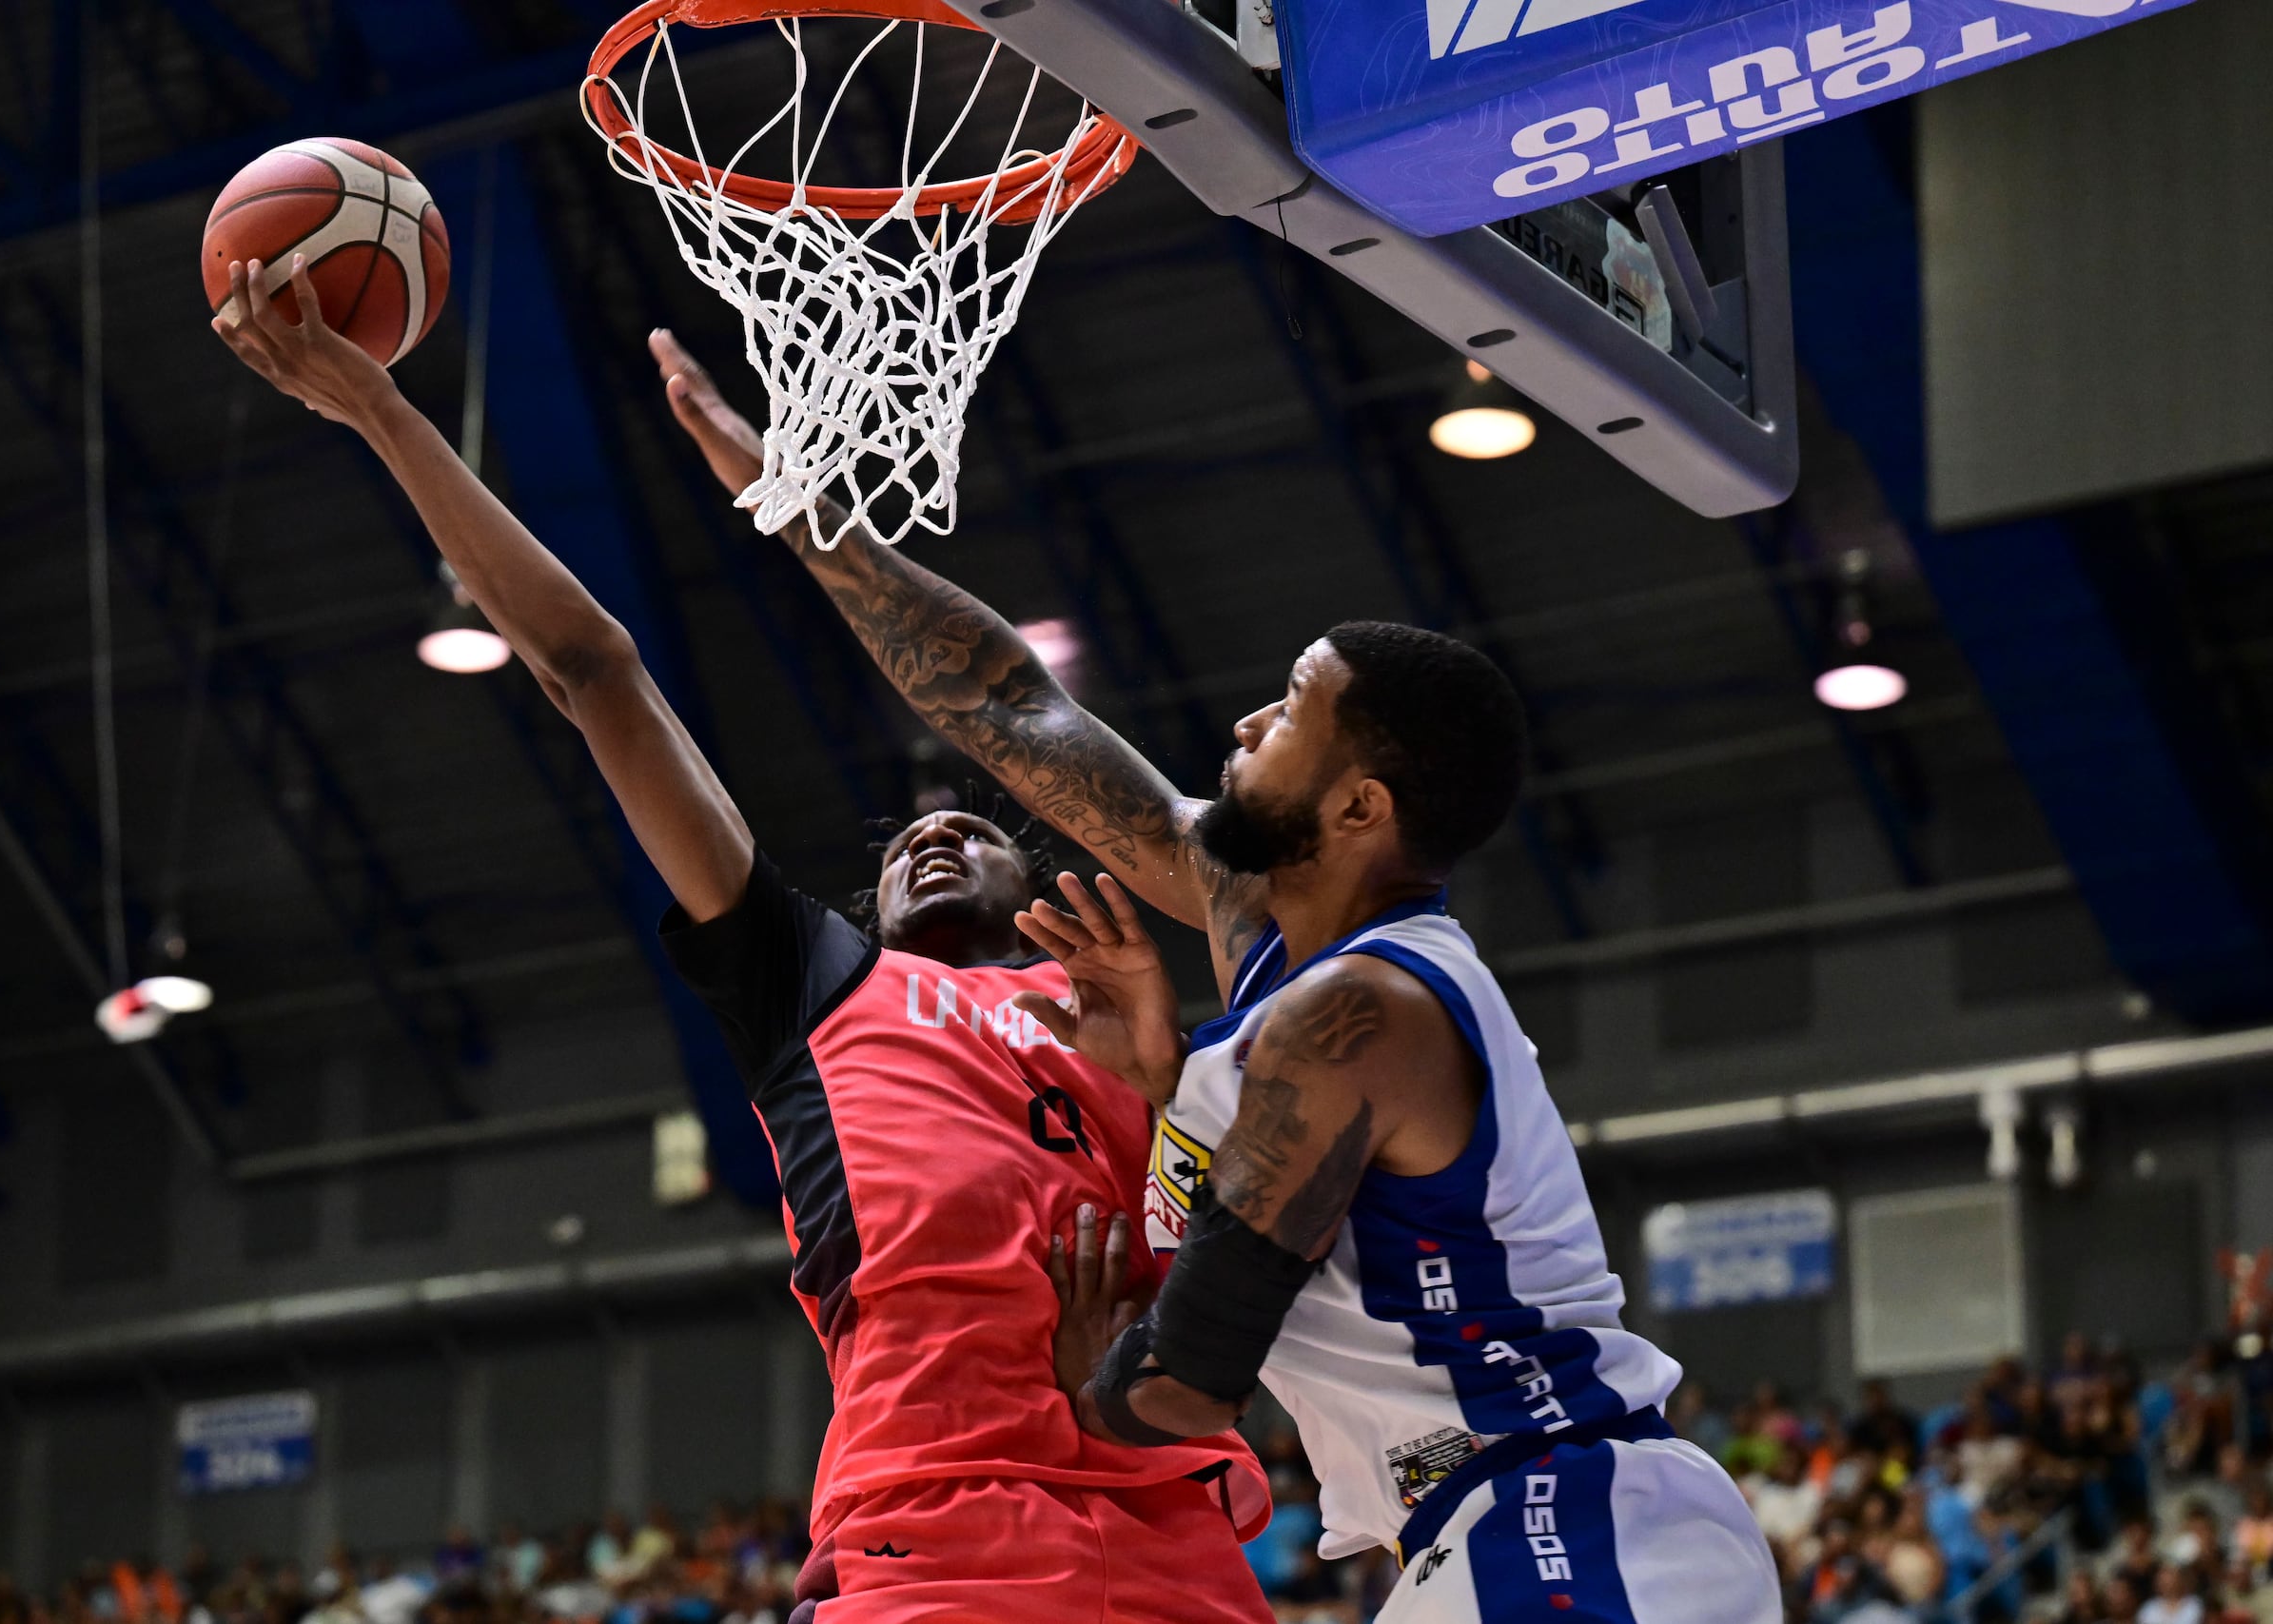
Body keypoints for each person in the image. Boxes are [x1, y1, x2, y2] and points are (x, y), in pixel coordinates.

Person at [652, 334, 1779, 1620]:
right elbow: (1014, 708)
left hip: (1558, 1508)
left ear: (1357, 808)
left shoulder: (1355, 1014)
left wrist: (1089, 1384)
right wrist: (803, 513)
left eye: (1291, 710)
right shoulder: (1271, 936)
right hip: (1488, 1526)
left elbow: (1188, 1378)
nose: (1248, 724)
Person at [209, 260, 1270, 1624]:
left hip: (1181, 1549)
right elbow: (594, 670)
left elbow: (1277, 1283)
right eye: (903, 841)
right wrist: (384, 414)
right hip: (940, 1546)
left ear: (1044, 876)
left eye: (970, 828)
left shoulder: (1155, 1041)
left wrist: (1172, 1088)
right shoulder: (823, 988)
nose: (934, 837)